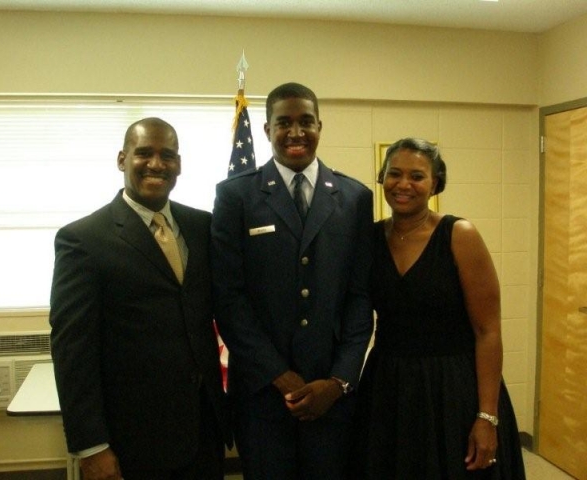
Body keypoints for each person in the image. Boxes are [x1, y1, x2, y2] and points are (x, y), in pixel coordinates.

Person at [50, 117, 231, 480]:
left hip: (203, 430)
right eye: (144, 153)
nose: (157, 164)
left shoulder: (202, 226)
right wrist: (91, 446)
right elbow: (73, 351)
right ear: (122, 159)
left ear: (179, 163)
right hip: (133, 441)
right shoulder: (83, 240)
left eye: (168, 155)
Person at [210, 82, 374, 480]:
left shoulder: (354, 197)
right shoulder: (236, 196)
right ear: (267, 130)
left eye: (306, 122)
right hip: (263, 395)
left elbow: (360, 296)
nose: (296, 132)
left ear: (320, 126)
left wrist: (338, 380)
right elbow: (228, 298)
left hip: (331, 393)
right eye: (284, 122)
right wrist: (279, 376)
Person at [350, 138, 526, 479]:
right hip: (388, 388)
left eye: (417, 176)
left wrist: (487, 417)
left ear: (435, 183)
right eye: (394, 174)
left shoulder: (459, 235)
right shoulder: (369, 238)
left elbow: (488, 331)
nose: (403, 184)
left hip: (453, 390)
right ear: (381, 178)